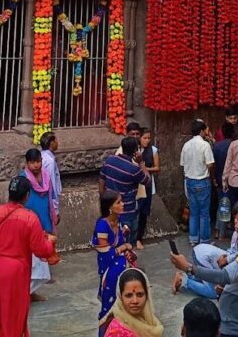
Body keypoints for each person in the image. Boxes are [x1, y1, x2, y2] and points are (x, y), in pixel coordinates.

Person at [170, 200, 238, 337]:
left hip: (237, 329)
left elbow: (223, 276)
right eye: (235, 222)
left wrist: (188, 267)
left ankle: (186, 280)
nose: (236, 226)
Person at [0, 176, 59, 337]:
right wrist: (51, 242)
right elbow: (41, 250)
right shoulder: (29, 218)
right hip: (12, 271)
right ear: (27, 195)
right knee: (11, 315)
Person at [93, 190, 133, 333]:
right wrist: (122, 248)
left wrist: (126, 250)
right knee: (109, 307)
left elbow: (121, 242)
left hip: (122, 265)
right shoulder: (102, 225)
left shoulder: (118, 220)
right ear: (110, 207)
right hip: (110, 269)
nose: (123, 204)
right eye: (119, 202)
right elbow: (104, 251)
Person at [100, 136, 149, 243]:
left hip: (111, 209)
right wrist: (141, 162)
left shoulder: (109, 160)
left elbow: (101, 181)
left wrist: (104, 202)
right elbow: (147, 180)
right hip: (128, 211)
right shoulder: (134, 169)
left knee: (112, 240)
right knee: (127, 243)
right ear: (136, 151)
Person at [173, 231, 238, 299]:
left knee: (207, 278)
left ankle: (184, 276)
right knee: (213, 292)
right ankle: (184, 281)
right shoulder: (236, 262)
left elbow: (233, 252)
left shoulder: (237, 235)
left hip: (201, 250)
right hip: (203, 257)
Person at [24, 148, 56, 300]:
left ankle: (31, 292)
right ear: (27, 163)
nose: (36, 165)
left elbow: (52, 195)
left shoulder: (46, 175)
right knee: (30, 260)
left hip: (44, 218)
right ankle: (25, 293)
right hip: (28, 220)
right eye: (32, 162)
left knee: (41, 258)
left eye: (38, 162)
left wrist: (55, 211)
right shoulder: (23, 178)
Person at [179, 120, 214, 246]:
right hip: (202, 181)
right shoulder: (205, 145)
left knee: (193, 212)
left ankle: (193, 239)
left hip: (190, 181)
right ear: (201, 131)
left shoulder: (186, 145)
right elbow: (210, 164)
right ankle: (204, 240)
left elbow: (182, 164)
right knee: (204, 212)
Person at [101, 268, 164, 337]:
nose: (135, 301)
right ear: (120, 297)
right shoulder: (116, 331)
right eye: (129, 295)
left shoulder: (151, 321)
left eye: (140, 294)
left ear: (147, 296)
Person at [136, 128, 159, 249]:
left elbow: (157, 167)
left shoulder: (153, 150)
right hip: (136, 184)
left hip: (148, 184)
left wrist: (144, 168)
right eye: (145, 138)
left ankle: (139, 238)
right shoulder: (135, 150)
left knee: (144, 212)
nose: (147, 140)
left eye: (149, 138)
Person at [212, 122, 234, 241]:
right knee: (226, 205)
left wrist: (214, 178)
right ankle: (221, 232)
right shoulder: (233, 145)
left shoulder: (216, 146)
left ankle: (217, 229)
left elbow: (213, 164)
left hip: (218, 178)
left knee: (221, 203)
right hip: (230, 179)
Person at [40, 131, 62, 227]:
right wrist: (55, 209)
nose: (58, 143)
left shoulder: (42, 156)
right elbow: (52, 184)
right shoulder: (49, 161)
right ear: (51, 143)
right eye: (56, 140)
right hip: (48, 202)